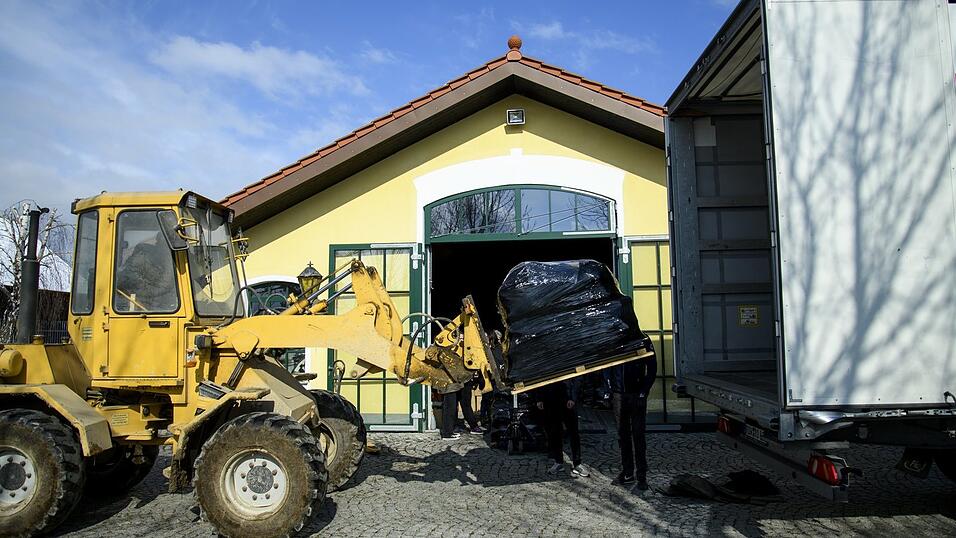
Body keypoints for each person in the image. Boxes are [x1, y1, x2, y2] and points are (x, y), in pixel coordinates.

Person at [609, 357, 657, 490]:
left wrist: (644, 391)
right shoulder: (617, 342)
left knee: (638, 435)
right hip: (620, 394)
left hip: (635, 394)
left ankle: (641, 475)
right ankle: (628, 472)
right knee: (623, 436)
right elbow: (608, 366)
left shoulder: (641, 341)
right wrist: (610, 388)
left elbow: (652, 367)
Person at [534, 379, 588, 477]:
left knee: (573, 433)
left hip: (566, 396)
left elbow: (577, 378)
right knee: (554, 432)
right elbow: (541, 374)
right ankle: (558, 461)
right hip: (550, 398)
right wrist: (539, 397)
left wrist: (572, 397)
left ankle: (577, 462)